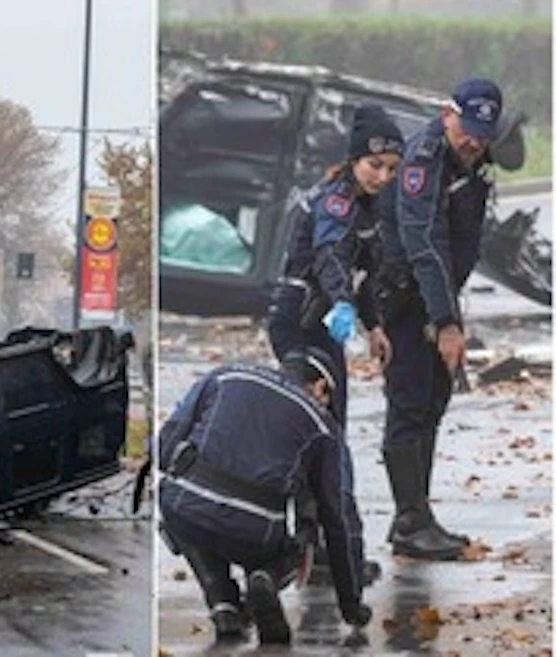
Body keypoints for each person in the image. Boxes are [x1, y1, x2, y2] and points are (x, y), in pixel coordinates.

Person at [157, 347, 371, 645]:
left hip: (184, 509)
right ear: (322, 387)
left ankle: (223, 603)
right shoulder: (323, 426)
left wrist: (181, 479)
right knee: (298, 535)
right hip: (254, 533)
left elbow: (166, 442)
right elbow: (336, 518)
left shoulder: (225, 376)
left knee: (192, 511)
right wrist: (351, 604)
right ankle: (266, 577)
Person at [374, 78, 502, 561]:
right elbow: (424, 242)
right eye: (468, 129)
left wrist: (445, 313)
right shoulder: (423, 163)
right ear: (447, 114)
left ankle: (416, 514)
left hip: (434, 298)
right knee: (409, 400)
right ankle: (410, 522)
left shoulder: (470, 162)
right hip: (405, 299)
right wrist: (444, 322)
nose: (474, 141)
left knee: (433, 398)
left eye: (483, 134)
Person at [266, 105, 404, 428]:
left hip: (324, 321)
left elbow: (364, 272)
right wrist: (343, 301)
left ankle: (329, 478)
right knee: (311, 416)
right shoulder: (336, 203)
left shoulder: (369, 204)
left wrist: (373, 325)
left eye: (392, 169)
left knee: (331, 419)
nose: (383, 177)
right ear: (355, 159)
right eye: (375, 165)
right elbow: (330, 255)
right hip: (299, 320)